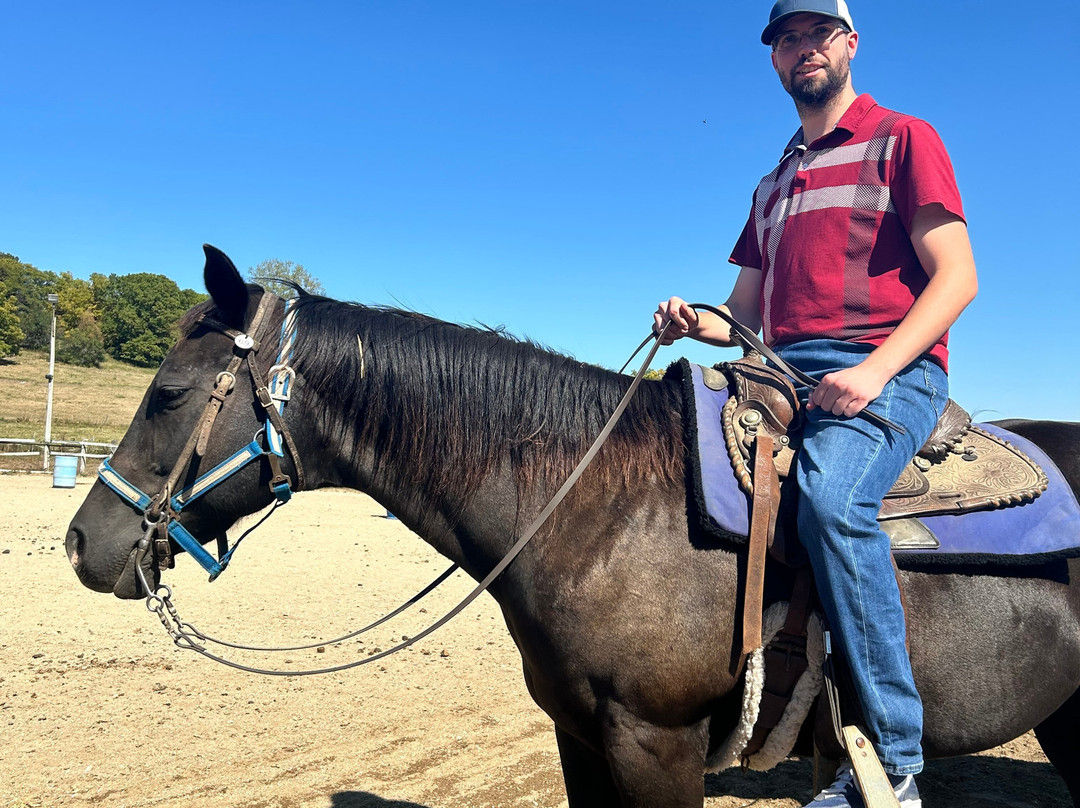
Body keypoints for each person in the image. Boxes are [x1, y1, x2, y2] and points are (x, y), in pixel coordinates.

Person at [654, 1, 978, 806]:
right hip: (781, 370)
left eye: (818, 34)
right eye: (787, 39)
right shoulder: (772, 183)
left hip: (890, 370)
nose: (804, 49)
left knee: (832, 501)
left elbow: (958, 278)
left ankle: (895, 767)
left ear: (850, 45)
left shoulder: (903, 138)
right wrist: (695, 320)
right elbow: (745, 314)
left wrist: (875, 370)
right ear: (773, 60)